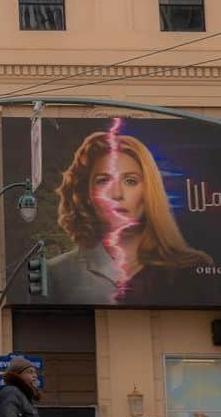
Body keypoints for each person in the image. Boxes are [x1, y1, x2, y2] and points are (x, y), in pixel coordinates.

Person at [47, 129, 212, 305]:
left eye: (130, 181)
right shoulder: (56, 273)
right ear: (87, 194)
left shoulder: (191, 267)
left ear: (149, 191)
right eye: (103, 180)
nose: (117, 194)